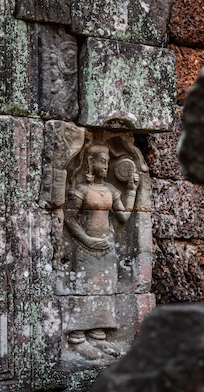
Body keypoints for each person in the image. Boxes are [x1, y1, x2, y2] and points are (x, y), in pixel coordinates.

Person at [62, 144, 139, 360]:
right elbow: (69, 217)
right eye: (101, 161)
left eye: (106, 161)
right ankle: (77, 337)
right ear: (90, 163)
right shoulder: (81, 190)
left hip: (106, 247)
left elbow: (123, 217)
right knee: (85, 289)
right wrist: (87, 239)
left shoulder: (112, 191)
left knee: (105, 290)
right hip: (85, 247)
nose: (105, 166)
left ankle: (98, 335)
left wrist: (131, 190)